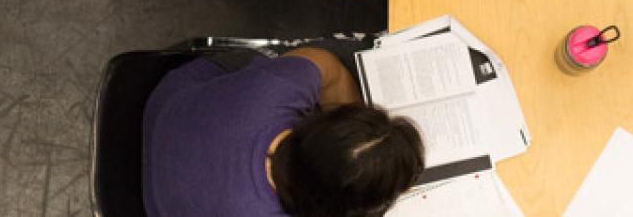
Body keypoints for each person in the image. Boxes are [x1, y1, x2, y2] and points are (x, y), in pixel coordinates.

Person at [143, 47, 425, 216]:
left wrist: (356, 143)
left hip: (167, 110)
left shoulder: (278, 88)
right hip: (161, 204)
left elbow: (329, 67)